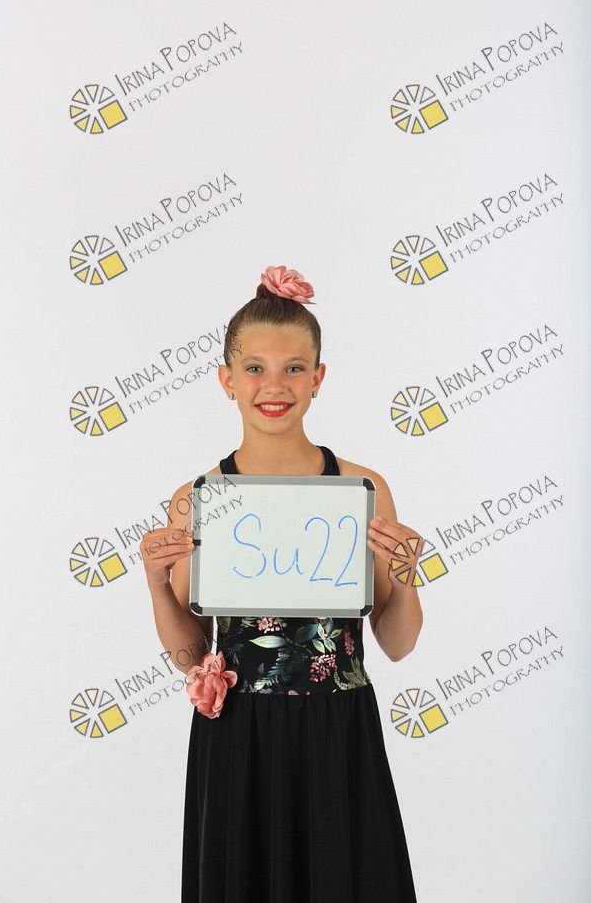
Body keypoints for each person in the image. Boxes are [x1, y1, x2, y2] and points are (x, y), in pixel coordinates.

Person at [141, 265, 424, 903]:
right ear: (227, 379)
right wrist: (157, 585)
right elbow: (191, 654)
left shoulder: (361, 489)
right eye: (255, 368)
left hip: (337, 728)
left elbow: (399, 644)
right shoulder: (199, 499)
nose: (275, 385)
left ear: (318, 377)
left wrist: (406, 580)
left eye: (294, 368)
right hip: (239, 735)